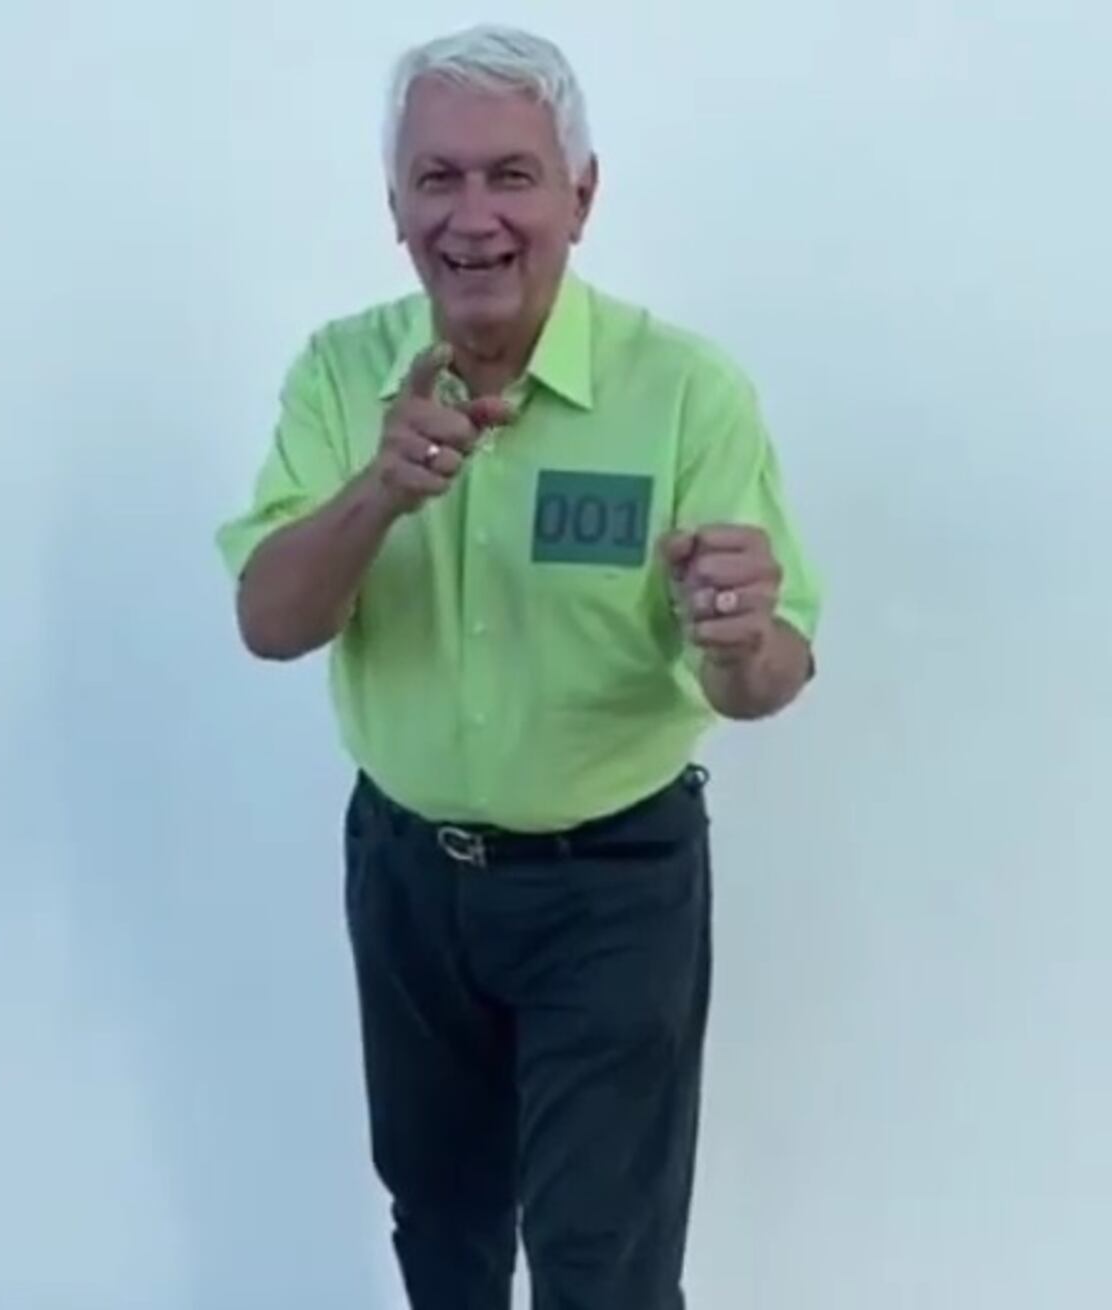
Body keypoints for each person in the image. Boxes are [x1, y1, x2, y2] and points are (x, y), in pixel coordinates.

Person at [215, 23, 822, 1310]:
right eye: (437, 178)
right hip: (407, 875)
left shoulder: (685, 391)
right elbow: (269, 621)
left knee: (603, 1260)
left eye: (512, 175)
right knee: (440, 1226)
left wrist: (738, 635)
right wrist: (378, 490)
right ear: (395, 206)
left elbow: (763, 678)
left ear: (581, 197)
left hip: (614, 887)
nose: (473, 215)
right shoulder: (340, 371)